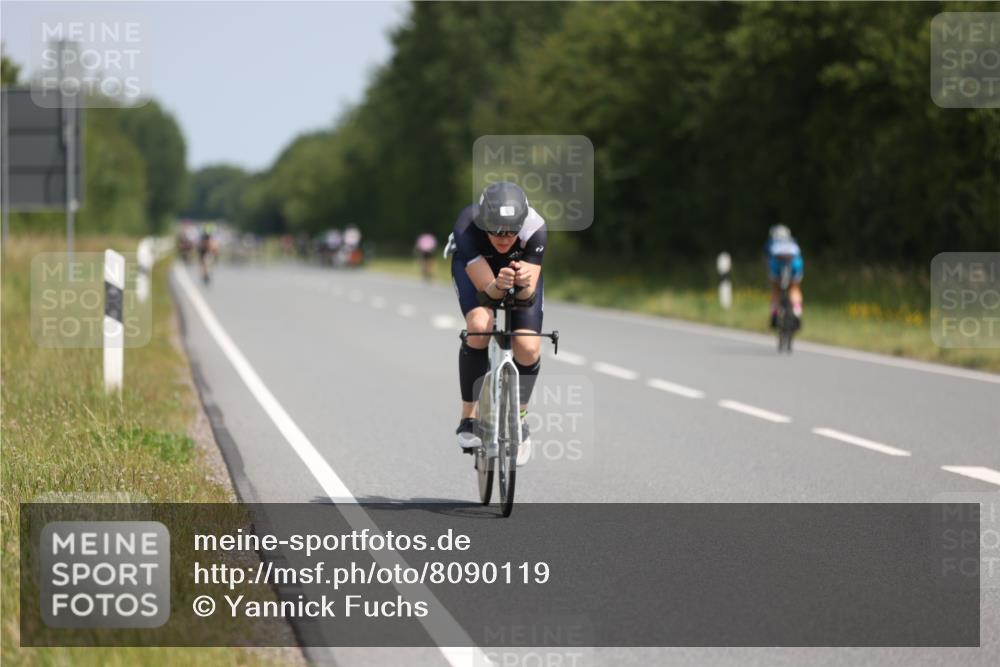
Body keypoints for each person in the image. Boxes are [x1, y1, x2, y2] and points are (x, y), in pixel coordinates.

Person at [449, 182, 546, 466]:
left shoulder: (536, 227)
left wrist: (523, 285)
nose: (504, 239)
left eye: (511, 232)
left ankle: (521, 417)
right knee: (480, 325)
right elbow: (486, 293)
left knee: (527, 347)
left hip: (517, 272)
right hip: (478, 272)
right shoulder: (468, 225)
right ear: (484, 224)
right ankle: (469, 417)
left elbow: (526, 297)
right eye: (496, 232)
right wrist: (498, 285)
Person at [766, 224, 803, 328]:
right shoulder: (793, 240)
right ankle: (797, 312)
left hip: (777, 264)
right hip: (794, 263)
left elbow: (767, 256)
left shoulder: (772, 241)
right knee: (794, 288)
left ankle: (774, 313)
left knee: (776, 288)